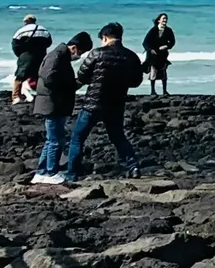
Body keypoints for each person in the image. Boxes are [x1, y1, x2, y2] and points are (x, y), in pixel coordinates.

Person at [63, 23, 143, 183]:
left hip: (93, 103)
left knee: (77, 138)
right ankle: (133, 167)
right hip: (116, 104)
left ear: (105, 37)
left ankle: (72, 174)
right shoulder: (131, 56)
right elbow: (136, 81)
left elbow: (83, 76)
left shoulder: (97, 54)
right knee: (118, 137)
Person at [30, 33, 87, 184]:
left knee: (52, 140)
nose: (79, 56)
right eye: (80, 52)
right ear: (74, 48)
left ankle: (42, 172)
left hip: (53, 103)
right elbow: (49, 78)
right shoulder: (57, 56)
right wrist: (70, 85)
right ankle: (51, 172)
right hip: (53, 104)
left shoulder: (59, 55)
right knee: (56, 140)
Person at [11, 15, 53, 106]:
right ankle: (40, 95)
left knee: (19, 76)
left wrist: (20, 55)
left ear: (25, 22)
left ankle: (16, 97)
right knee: (38, 76)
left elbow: (15, 45)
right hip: (41, 55)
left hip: (26, 55)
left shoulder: (21, 31)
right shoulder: (43, 30)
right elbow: (49, 42)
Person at [141, 13, 176, 96]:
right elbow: (145, 42)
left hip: (163, 55)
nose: (165, 20)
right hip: (153, 56)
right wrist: (150, 49)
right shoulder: (153, 30)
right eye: (163, 18)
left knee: (163, 73)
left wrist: (167, 46)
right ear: (158, 20)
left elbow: (173, 41)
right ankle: (153, 91)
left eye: (166, 19)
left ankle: (165, 91)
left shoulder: (168, 30)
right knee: (153, 73)